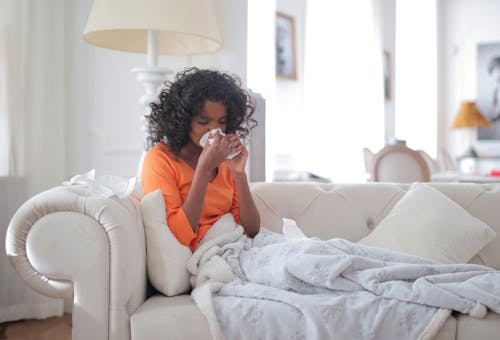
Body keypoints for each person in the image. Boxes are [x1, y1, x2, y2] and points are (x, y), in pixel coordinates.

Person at [141, 68, 260, 251]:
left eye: (222, 121)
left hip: (240, 247)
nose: (214, 130)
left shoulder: (225, 160)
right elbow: (179, 236)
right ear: (183, 120)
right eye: (203, 122)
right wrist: (204, 171)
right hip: (211, 253)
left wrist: (239, 174)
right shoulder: (160, 160)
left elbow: (251, 230)